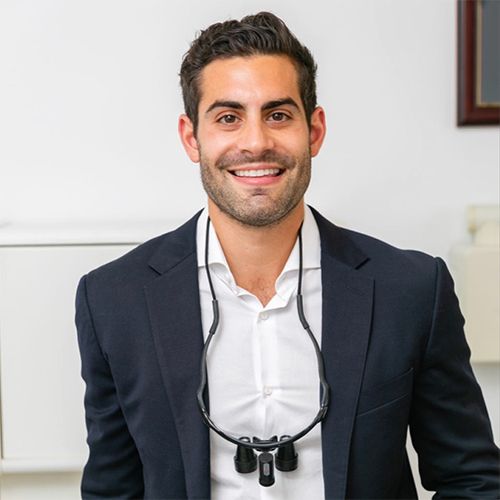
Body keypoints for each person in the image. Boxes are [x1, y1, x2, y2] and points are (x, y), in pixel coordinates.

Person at [75, 12, 499, 499]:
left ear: (314, 130)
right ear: (192, 138)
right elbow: (111, 490)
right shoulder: (113, 300)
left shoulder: (411, 289)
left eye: (278, 115)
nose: (256, 142)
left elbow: (473, 480)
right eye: (228, 118)